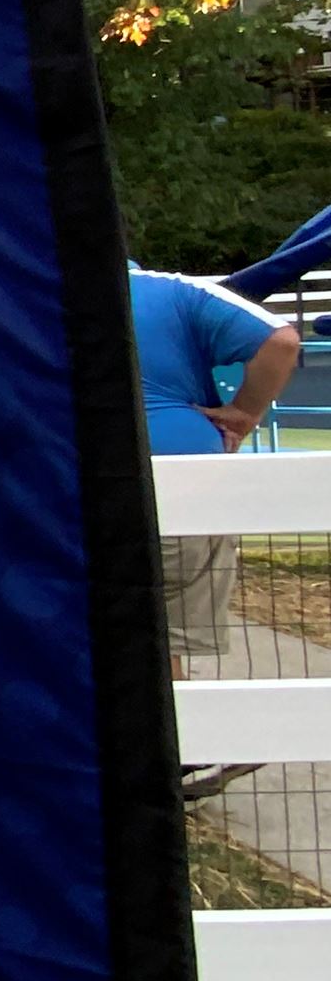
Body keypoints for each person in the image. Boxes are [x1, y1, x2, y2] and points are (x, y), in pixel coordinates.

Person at [128, 260, 300, 798]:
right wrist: (246, 412)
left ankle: (170, 749)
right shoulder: (177, 293)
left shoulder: (31, 284)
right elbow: (282, 340)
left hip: (70, 474)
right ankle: (184, 748)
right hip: (188, 479)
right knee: (167, 625)